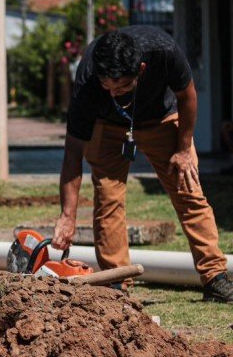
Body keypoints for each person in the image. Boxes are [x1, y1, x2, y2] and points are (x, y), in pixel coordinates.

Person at [53, 26, 232, 302]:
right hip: (108, 127)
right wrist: (67, 215)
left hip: (162, 119)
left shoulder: (164, 51)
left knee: (188, 189)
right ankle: (117, 285)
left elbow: (188, 96)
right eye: (108, 87)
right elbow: (73, 150)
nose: (115, 93)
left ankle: (215, 278)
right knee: (108, 199)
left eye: (123, 86)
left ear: (142, 69)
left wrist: (184, 148)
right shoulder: (88, 77)